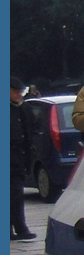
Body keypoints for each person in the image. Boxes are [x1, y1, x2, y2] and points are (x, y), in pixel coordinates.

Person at [10, 76, 35, 240]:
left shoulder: (24, 108)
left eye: (21, 91)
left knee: (17, 194)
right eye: (16, 92)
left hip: (19, 158)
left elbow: (31, 130)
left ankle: (20, 227)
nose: (19, 95)